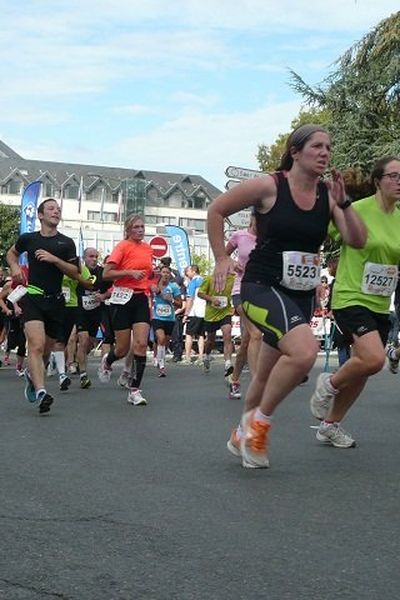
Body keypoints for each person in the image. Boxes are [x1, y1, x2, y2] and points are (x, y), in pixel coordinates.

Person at [207, 124, 366, 468]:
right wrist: (222, 257)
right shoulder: (270, 185)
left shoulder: (327, 195)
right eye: (317, 146)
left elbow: (356, 239)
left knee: (265, 374)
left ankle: (240, 435)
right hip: (262, 287)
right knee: (305, 351)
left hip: (300, 293)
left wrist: (346, 203)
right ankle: (258, 426)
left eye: (329, 147)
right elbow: (217, 210)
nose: (325, 153)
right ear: (295, 152)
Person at [310, 156, 400, 447]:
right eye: (393, 176)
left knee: (364, 367)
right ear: (378, 180)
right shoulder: (357, 209)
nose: (399, 182)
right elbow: (328, 232)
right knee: (374, 359)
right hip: (350, 295)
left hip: (379, 301)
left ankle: (330, 425)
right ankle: (329, 383)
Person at [6, 198, 78, 414]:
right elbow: (11, 253)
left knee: (46, 352)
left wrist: (55, 260)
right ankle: (41, 392)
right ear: (40, 215)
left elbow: (75, 272)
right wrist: (14, 265)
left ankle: (32, 376)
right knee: (36, 346)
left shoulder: (66, 243)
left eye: (58, 209)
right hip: (34, 298)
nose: (56, 211)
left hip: (55, 301)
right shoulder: (28, 238)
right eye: (51, 208)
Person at [98, 214, 153, 406]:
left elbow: (148, 274)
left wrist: (153, 282)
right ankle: (108, 361)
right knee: (122, 348)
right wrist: (129, 272)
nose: (140, 230)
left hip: (139, 298)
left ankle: (135, 390)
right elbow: (106, 273)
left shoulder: (147, 249)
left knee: (140, 344)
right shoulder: (122, 247)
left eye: (142, 227)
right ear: (128, 230)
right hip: (121, 298)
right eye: (136, 227)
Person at [225, 213, 262, 399]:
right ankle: (256, 384)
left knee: (247, 342)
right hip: (240, 290)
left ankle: (235, 379)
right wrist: (232, 264)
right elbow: (222, 256)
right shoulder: (239, 235)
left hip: (259, 291)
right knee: (256, 334)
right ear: (252, 218)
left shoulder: (267, 239)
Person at [198, 272, 235, 375]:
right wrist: (211, 299)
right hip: (211, 315)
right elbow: (200, 293)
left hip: (225, 312)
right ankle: (207, 356)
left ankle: (227, 363)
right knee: (210, 341)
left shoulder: (232, 279)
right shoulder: (209, 278)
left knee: (227, 334)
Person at [150, 265, 182, 376]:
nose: (165, 274)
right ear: (160, 274)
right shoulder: (154, 286)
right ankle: (162, 365)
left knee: (165, 342)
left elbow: (180, 304)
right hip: (157, 317)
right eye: (163, 272)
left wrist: (171, 300)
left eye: (168, 273)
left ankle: (160, 357)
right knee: (161, 338)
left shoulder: (174, 287)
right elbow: (148, 297)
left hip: (170, 318)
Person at [182, 265, 206, 364]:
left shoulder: (193, 282)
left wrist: (186, 314)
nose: (186, 274)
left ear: (193, 271)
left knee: (189, 334)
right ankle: (200, 357)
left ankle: (188, 357)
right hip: (204, 312)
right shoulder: (204, 281)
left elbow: (190, 299)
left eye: (187, 271)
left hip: (194, 311)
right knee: (201, 335)